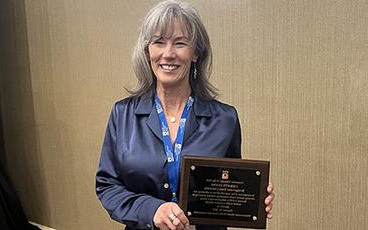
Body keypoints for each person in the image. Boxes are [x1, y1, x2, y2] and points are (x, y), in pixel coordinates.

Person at [96, 1, 274, 230]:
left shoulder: (225, 119)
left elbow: (225, 185)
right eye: (159, 42)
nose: (168, 54)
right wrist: (151, 210)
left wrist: (254, 198)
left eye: (180, 43)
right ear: (147, 51)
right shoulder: (123, 114)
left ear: (196, 53)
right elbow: (107, 185)